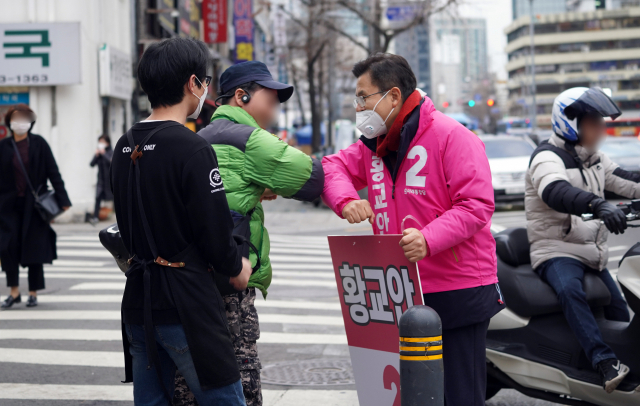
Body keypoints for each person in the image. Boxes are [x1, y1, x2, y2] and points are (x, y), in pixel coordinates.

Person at [320, 53, 504, 406]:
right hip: (401, 289)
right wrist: (346, 201)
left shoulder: (453, 137)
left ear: (393, 96)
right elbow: (332, 168)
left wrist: (429, 238)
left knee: (458, 394)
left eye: (363, 97)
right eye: (356, 99)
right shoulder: (373, 146)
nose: (358, 107)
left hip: (457, 288)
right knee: (410, 393)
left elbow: (476, 205)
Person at [110, 37, 252, 406]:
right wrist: (237, 266)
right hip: (186, 303)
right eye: (204, 81)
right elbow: (214, 230)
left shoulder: (124, 145)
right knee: (225, 399)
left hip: (138, 300)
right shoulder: (191, 147)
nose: (206, 90)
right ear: (193, 84)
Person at [173, 61, 324, 406]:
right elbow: (311, 179)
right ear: (242, 97)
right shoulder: (250, 138)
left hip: (192, 280)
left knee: (189, 378)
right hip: (232, 275)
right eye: (270, 100)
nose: (274, 109)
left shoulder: (196, 139)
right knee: (241, 375)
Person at [526, 87, 640, 393]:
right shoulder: (546, 158)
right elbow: (555, 191)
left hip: (592, 252)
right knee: (570, 291)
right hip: (555, 249)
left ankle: (629, 361)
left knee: (618, 306)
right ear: (570, 122)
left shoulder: (594, 159)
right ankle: (603, 362)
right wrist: (597, 204)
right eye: (595, 122)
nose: (602, 129)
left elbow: (628, 181)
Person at [0, 103, 71, 309]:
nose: (19, 122)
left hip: (35, 206)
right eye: (15, 118)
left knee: (33, 249)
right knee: (7, 247)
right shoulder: (3, 146)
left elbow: (53, 172)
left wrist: (63, 200)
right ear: (9, 121)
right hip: (8, 207)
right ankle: (13, 292)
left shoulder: (39, 144)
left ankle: (33, 293)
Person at [89, 134, 113, 225]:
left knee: (114, 198)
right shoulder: (98, 153)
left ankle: (118, 215)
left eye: (103, 142)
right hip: (101, 180)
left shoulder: (110, 151)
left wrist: (104, 154)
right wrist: (96, 155)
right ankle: (95, 217)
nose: (101, 144)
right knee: (97, 198)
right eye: (100, 142)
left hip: (109, 180)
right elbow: (91, 164)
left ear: (107, 143)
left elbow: (112, 162)